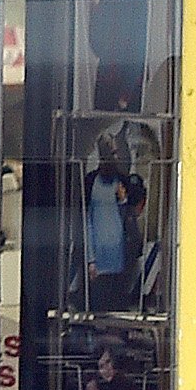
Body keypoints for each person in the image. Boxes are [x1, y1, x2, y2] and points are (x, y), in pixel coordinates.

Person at [82, 130, 149, 311]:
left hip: (119, 256)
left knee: (117, 304)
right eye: (113, 153)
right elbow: (86, 221)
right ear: (103, 155)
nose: (117, 157)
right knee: (98, 307)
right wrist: (90, 259)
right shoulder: (90, 182)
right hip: (98, 257)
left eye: (117, 152)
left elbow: (130, 217)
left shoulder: (122, 182)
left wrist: (123, 200)